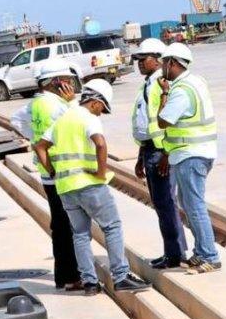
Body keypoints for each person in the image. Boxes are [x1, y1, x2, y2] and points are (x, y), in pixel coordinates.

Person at [34, 80, 151, 295]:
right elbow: (100, 144)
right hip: (89, 185)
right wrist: (100, 172)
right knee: (112, 226)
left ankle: (89, 282)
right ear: (96, 102)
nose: (101, 114)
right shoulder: (88, 118)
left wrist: (51, 170)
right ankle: (121, 276)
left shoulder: (61, 120)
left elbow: (39, 146)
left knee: (80, 234)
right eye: (102, 109)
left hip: (66, 188)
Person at [10, 59, 81, 290]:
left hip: (47, 171)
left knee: (59, 223)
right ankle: (71, 276)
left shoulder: (36, 104)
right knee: (69, 225)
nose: (70, 85)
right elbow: (76, 124)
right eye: (68, 81)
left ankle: (64, 275)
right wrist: (72, 105)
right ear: (57, 82)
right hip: (63, 170)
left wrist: (35, 139)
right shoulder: (59, 106)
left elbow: (16, 120)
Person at [156, 43, 221, 274]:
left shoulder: (181, 90)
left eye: (164, 62)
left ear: (172, 63)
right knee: (189, 204)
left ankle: (210, 256)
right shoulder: (197, 81)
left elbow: (164, 120)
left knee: (195, 207)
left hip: (190, 153)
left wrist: (164, 93)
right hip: (198, 151)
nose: (162, 67)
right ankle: (201, 251)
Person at [131, 39, 187, 269]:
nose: (139, 64)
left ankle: (175, 254)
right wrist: (140, 156)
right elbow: (146, 124)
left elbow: (167, 122)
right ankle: (172, 251)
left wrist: (165, 152)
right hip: (150, 150)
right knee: (162, 204)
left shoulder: (159, 85)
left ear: (157, 59)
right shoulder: (148, 84)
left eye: (142, 60)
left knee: (166, 204)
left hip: (159, 151)